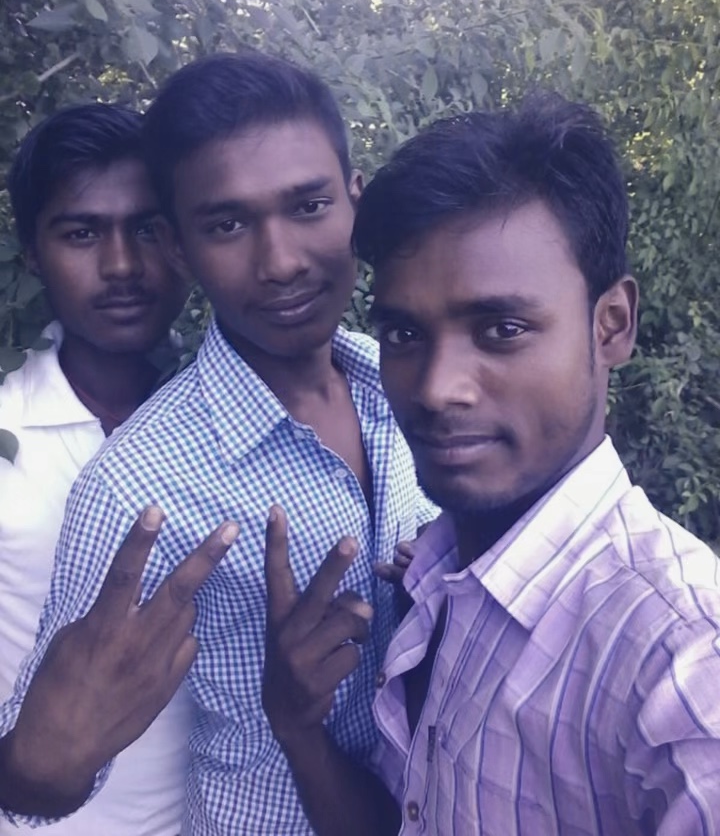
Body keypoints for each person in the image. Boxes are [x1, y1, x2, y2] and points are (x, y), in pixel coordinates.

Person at [0, 54, 434, 835]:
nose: (281, 263)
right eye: (228, 224)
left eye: (309, 205)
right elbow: (43, 770)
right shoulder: (137, 485)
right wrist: (41, 766)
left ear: (355, 200)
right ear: (179, 246)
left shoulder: (402, 382)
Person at [262, 95, 720, 835]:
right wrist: (298, 726)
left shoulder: (682, 660)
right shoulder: (443, 582)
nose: (437, 388)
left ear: (611, 325)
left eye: (502, 329)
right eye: (404, 334)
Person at [0, 103, 202, 835]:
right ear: (32, 252)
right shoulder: (6, 431)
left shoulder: (236, 421)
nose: (121, 266)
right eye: (81, 233)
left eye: (147, 228)